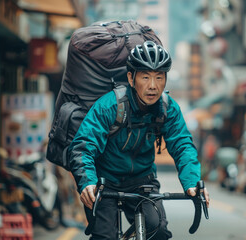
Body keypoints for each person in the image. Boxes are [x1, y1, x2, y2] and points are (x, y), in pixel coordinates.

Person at [68, 41, 210, 240]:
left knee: (157, 231)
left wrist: (192, 182)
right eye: (145, 77)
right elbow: (83, 147)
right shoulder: (110, 106)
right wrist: (87, 183)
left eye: (159, 77)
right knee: (104, 236)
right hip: (104, 182)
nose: (153, 86)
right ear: (131, 78)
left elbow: (182, 144)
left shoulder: (168, 108)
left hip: (143, 182)